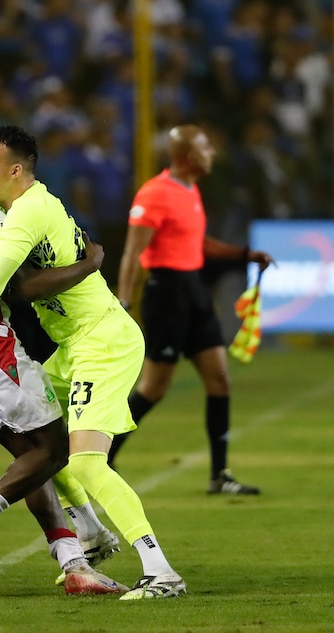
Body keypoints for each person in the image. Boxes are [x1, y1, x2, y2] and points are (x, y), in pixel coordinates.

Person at [0, 125, 186, 600]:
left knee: (83, 462)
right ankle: (86, 534)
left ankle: (160, 570)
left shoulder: (25, 214)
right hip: (72, 346)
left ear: (15, 170)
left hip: (102, 341)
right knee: (46, 444)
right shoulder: (17, 206)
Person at [111, 124, 273, 494]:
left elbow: (195, 243)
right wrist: (123, 300)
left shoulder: (190, 190)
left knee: (219, 378)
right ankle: (103, 455)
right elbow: (133, 252)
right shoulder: (155, 193)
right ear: (187, 156)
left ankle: (220, 475)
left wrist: (243, 255)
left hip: (193, 291)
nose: (212, 153)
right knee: (154, 387)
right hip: (166, 294)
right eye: (206, 148)